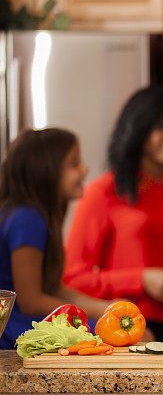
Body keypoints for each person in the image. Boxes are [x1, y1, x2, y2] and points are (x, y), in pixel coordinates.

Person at [64, 86, 163, 342]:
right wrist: (141, 279)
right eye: (160, 126)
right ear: (137, 130)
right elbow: (72, 279)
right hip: (127, 325)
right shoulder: (102, 193)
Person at [0, 129, 111, 349]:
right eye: (74, 163)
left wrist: (108, 307)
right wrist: (101, 312)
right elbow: (31, 302)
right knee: (116, 336)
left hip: (23, 320)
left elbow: (53, 288)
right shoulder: (27, 220)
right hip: (15, 328)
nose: (85, 169)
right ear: (45, 171)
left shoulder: (28, 214)